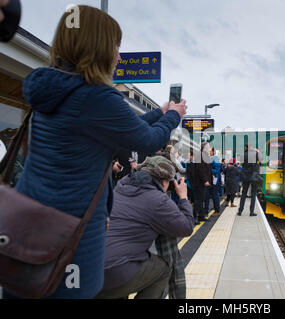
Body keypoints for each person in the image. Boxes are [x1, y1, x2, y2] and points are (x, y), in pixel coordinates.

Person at [5, 5, 187, 299]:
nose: (118, 56)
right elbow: (145, 140)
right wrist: (174, 116)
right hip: (70, 236)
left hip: (29, 227)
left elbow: (120, 131)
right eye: (115, 47)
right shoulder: (95, 95)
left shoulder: (56, 91)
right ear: (98, 46)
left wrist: (158, 112)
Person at [96, 156, 194, 299]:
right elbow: (186, 227)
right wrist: (183, 198)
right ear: (164, 181)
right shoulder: (158, 200)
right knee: (163, 269)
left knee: (123, 264)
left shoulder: (120, 187)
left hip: (90, 271)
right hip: (114, 274)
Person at [190, 142, 212, 224]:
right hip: (199, 182)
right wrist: (205, 180)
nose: (210, 148)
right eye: (208, 147)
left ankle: (201, 216)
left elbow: (207, 169)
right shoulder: (201, 155)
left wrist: (210, 177)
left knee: (201, 199)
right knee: (198, 200)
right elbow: (200, 170)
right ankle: (194, 217)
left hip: (202, 181)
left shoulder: (204, 155)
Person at [237, 145, 261, 216]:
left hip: (246, 177)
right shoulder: (256, 154)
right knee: (253, 194)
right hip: (254, 177)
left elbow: (242, 164)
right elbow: (261, 161)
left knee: (244, 193)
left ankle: (240, 211)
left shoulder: (243, 155)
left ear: (246, 148)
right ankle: (251, 212)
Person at [204, 146, 221, 215]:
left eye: (210, 151)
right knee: (207, 195)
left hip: (214, 179)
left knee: (214, 194)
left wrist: (208, 171)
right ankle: (206, 211)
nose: (209, 152)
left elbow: (217, 170)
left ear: (213, 152)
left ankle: (217, 210)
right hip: (209, 178)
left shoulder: (215, 158)